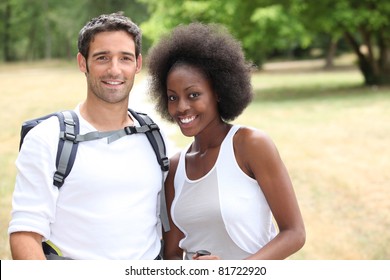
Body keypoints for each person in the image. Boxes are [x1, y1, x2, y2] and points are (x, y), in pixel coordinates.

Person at [8, 12, 167, 260]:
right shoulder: (48, 138)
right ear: (83, 63)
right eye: (102, 58)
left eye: (124, 58)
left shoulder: (155, 137)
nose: (114, 70)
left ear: (137, 64)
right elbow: (25, 235)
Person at [146, 23, 306, 260]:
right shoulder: (176, 168)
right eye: (172, 97)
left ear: (218, 92)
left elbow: (294, 233)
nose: (181, 107)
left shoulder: (250, 145)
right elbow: (172, 254)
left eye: (193, 95)